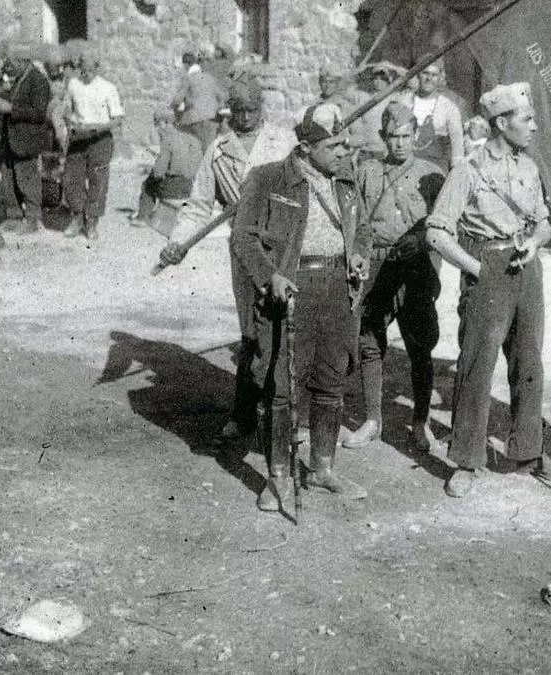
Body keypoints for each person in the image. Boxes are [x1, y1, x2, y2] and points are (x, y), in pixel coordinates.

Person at [425, 82, 551, 498]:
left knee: (529, 362)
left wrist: (535, 241)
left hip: (527, 268)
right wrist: (476, 269)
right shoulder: (468, 170)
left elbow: (544, 222)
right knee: (477, 364)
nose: (534, 127)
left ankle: (528, 452)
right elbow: (437, 232)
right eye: (527, 119)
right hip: (486, 266)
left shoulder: (529, 168)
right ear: (502, 123)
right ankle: (466, 459)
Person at [229, 103, 372, 512]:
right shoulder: (268, 178)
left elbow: (363, 229)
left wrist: (359, 254)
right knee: (281, 385)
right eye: (334, 145)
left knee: (331, 378)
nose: (344, 151)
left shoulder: (345, 180)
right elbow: (243, 237)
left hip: (340, 288)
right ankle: (278, 477)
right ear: (306, 148)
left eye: (345, 143)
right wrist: (269, 276)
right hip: (290, 290)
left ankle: (322, 468)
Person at [161, 78, 298, 445]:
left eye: (252, 110)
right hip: (244, 249)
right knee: (251, 330)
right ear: (230, 111)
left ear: (262, 108)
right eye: (239, 111)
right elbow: (198, 205)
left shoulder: (285, 142)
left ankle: (287, 414)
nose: (246, 117)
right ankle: (244, 414)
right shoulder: (218, 150)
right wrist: (177, 243)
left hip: (285, 245)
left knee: (287, 326)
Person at [343, 101, 446, 453]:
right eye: (392, 137)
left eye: (405, 136)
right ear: (383, 137)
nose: (399, 144)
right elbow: (354, 219)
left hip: (416, 267)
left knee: (420, 345)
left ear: (415, 135)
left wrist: (425, 249)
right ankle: (373, 420)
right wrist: (357, 254)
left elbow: (444, 225)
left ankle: (420, 422)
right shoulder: (367, 171)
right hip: (376, 263)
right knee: (369, 341)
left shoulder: (432, 175)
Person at [59, 51, 123, 240]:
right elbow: (66, 108)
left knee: (98, 181)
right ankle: (77, 217)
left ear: (96, 68)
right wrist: (69, 120)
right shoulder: (73, 84)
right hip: (78, 137)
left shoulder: (108, 88)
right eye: (83, 70)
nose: (86, 74)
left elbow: (117, 119)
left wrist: (96, 128)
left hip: (100, 139)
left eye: (89, 70)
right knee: (72, 179)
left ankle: (92, 221)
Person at [0, 44, 53, 235]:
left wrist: (11, 109)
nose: (9, 67)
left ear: (23, 61)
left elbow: (39, 113)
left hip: (27, 138)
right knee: (8, 176)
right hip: (11, 137)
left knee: (27, 179)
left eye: (12, 63)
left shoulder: (38, 81)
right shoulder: (21, 77)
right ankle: (14, 216)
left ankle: (33, 218)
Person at [130, 106, 202, 235]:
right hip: (190, 187)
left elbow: (158, 173)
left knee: (148, 183)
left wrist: (149, 169)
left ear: (164, 123)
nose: (157, 130)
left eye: (157, 125)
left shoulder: (168, 140)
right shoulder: (194, 140)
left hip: (173, 189)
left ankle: (142, 218)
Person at [409, 61, 464, 171]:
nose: (429, 78)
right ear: (418, 75)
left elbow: (457, 151)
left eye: (434, 75)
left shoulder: (449, 108)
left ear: (440, 78)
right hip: (407, 168)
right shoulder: (406, 101)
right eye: (425, 73)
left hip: (435, 170)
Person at [171, 50, 226, 151]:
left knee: (191, 149)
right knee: (208, 152)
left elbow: (177, 100)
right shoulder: (209, 78)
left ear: (186, 65)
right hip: (212, 120)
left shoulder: (188, 78)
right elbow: (221, 97)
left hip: (195, 121)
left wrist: (173, 106)